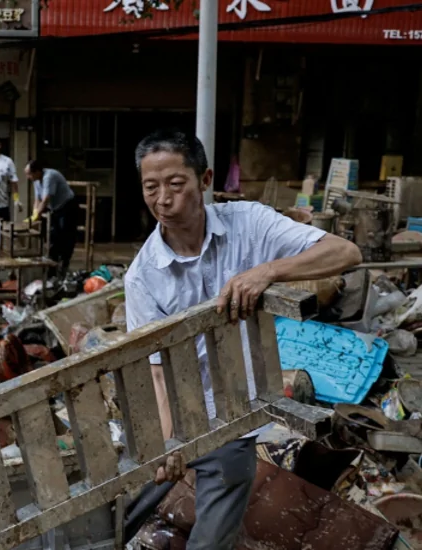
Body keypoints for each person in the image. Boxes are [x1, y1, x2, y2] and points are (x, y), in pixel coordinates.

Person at [122, 129, 362, 548]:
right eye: (151, 187)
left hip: (231, 412)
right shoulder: (143, 276)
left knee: (211, 540)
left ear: (205, 179)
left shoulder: (249, 223)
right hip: (173, 409)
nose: (163, 199)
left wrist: (267, 271)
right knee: (119, 513)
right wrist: (168, 441)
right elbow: (156, 373)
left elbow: (346, 253)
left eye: (176, 184)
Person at [24, 160, 78, 278]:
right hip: (55, 208)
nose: (28, 177)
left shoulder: (50, 176)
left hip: (67, 206)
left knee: (66, 235)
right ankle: (52, 266)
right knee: (53, 235)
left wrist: (38, 214)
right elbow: (37, 199)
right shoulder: (36, 180)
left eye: (29, 174)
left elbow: (46, 199)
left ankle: (64, 264)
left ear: (37, 172)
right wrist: (34, 214)